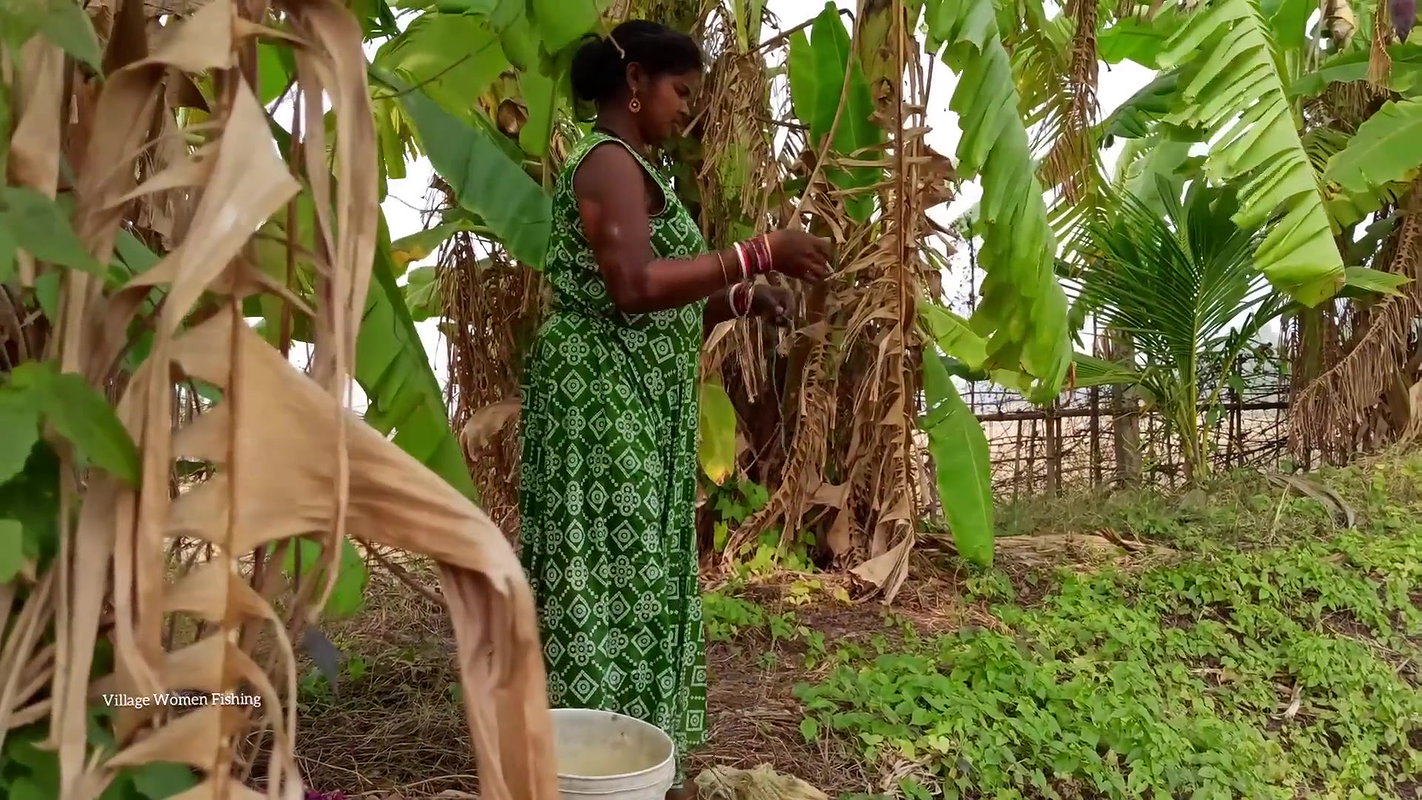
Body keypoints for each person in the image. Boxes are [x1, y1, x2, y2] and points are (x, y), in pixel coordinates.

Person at [517, 19, 833, 798]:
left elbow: (652, 296)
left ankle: (626, 759)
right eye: (681, 91)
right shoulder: (608, 162)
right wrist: (759, 251)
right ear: (636, 82)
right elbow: (631, 286)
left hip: (632, 406)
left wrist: (736, 298)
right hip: (599, 405)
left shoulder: (632, 167)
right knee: (607, 576)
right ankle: (582, 766)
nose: (687, 109)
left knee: (634, 575)